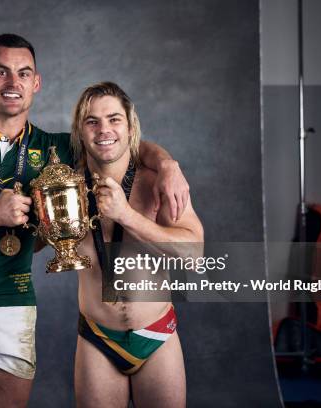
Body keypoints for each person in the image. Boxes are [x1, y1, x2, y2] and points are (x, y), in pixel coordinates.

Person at [0, 34, 190, 408]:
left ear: (36, 83)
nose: (12, 82)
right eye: (1, 72)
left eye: (23, 73)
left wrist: (167, 164)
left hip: (13, 303)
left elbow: (116, 142)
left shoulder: (59, 149)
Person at [70, 82, 204, 408]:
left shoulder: (157, 181)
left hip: (156, 333)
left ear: (130, 127)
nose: (104, 130)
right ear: (80, 130)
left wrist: (126, 216)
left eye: (114, 119)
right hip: (98, 336)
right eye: (92, 121)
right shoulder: (66, 187)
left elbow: (194, 255)